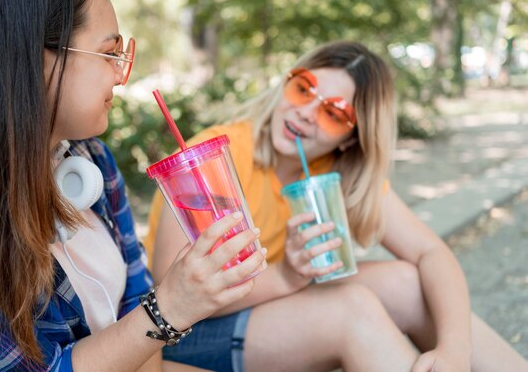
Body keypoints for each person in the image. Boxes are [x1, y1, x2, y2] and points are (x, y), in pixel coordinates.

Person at [0, 0, 267, 371]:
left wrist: (164, 312)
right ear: (29, 58)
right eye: (109, 52)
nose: (119, 74)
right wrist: (170, 308)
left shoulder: (91, 160)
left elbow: (136, 309)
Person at [146, 41, 528, 372]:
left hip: (265, 309)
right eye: (303, 89)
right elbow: (174, 296)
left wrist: (454, 351)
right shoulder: (214, 158)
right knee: (351, 308)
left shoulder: (334, 172)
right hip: (181, 334)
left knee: (409, 283)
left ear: (351, 138)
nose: (306, 113)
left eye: (333, 113)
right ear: (287, 84)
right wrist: (287, 277)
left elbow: (431, 253)